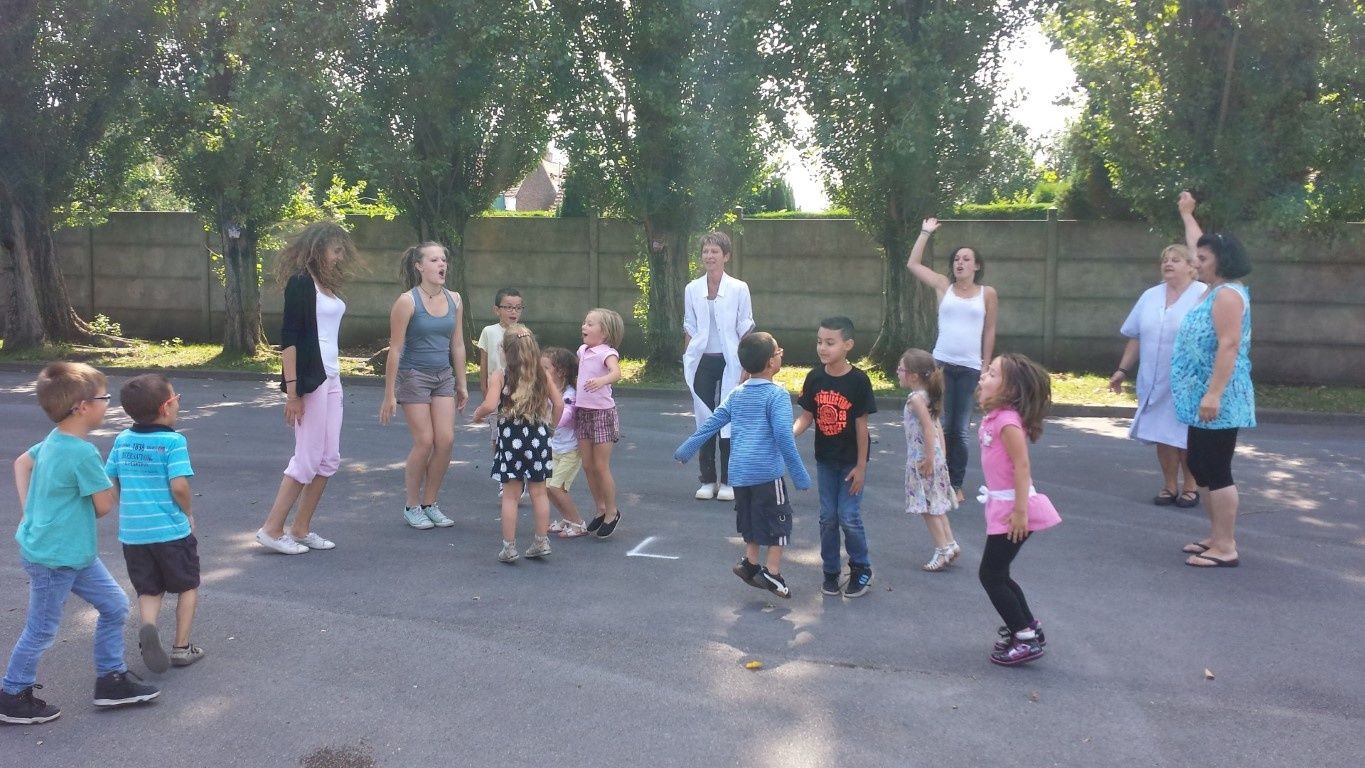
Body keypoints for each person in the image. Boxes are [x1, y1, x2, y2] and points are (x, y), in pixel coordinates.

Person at [1, 363, 159, 725]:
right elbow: (103, 506)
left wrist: (29, 512)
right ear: (82, 407)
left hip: (73, 553)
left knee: (115, 605)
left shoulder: (54, 439)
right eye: (104, 398)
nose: (108, 404)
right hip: (55, 558)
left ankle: (111, 680)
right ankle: (11, 695)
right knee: (41, 629)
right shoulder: (82, 453)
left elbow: (21, 463)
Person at [675, 332, 811, 599]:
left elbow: (712, 423)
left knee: (750, 516)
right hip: (766, 472)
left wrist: (686, 449)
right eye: (778, 351)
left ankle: (750, 562)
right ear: (771, 362)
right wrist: (799, 474)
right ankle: (772, 572)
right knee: (779, 519)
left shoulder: (736, 394)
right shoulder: (777, 395)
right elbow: (784, 437)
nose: (781, 354)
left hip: (739, 472)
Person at [256, 221, 354, 555]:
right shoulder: (301, 281)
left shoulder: (325, 284)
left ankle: (300, 529)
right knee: (308, 457)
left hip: (332, 377)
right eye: (336, 250)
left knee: (329, 458)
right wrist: (293, 392)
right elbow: (289, 338)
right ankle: (271, 529)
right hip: (311, 379)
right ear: (318, 247)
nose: (339, 257)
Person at [1171, 191, 1255, 569]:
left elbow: (1229, 345)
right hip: (1201, 398)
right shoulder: (1213, 289)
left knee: (1217, 469)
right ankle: (1215, 535)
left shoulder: (1227, 296)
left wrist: (1214, 394)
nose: (1196, 262)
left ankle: (1226, 546)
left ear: (1221, 262)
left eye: (1203, 260)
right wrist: (1187, 214)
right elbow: (1197, 244)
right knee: (1201, 466)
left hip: (1219, 399)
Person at [105, 374, 204, 673]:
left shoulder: (123, 440)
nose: (178, 404)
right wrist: (188, 512)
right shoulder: (173, 441)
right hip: (170, 531)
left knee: (148, 588)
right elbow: (179, 486)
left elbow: (110, 479)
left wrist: (127, 505)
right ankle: (181, 647)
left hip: (134, 533)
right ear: (165, 407)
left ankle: (148, 626)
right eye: (176, 399)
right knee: (187, 585)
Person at [976, 353, 1061, 667]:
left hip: (1014, 509)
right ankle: (1028, 628)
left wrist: (1020, 512)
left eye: (992, 374)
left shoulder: (1007, 421)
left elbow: (1022, 467)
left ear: (1010, 389)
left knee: (991, 575)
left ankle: (1024, 636)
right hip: (1005, 505)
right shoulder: (996, 416)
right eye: (987, 371)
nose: (984, 376)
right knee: (998, 573)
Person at [906, 218, 998, 502]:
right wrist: (925, 233)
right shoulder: (943, 286)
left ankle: (956, 485)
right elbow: (913, 264)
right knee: (942, 426)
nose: (960, 263)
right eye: (957, 259)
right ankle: (941, 481)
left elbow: (990, 330)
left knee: (960, 430)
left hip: (970, 369)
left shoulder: (987, 294)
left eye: (966, 259)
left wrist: (985, 367)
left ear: (976, 266)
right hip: (942, 365)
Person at [1108, 244, 1206, 507]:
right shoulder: (1150, 296)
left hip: (1190, 381)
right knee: (1162, 434)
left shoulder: (1203, 294)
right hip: (1153, 378)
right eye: (1165, 260)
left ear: (1191, 266)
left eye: (1176, 260)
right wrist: (1122, 370)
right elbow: (1136, 336)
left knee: (1185, 435)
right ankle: (1169, 485)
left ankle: (1191, 487)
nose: (1168, 264)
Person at [380, 242, 469, 530]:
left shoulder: (455, 299)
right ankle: (412, 505)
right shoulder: (407, 302)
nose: (442, 264)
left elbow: (457, 344)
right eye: (434, 260)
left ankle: (430, 503)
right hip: (413, 375)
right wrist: (389, 394)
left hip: (443, 375)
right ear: (419, 266)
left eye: (443, 259)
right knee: (425, 441)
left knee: (446, 441)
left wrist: (462, 383)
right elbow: (395, 349)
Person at [794, 317, 878, 598]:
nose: (822, 348)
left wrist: (862, 466)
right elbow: (807, 416)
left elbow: (862, 427)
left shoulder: (859, 381)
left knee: (849, 516)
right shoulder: (815, 378)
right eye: (819, 341)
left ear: (848, 345)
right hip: (826, 461)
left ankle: (861, 568)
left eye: (830, 343)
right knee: (828, 517)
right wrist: (788, 435)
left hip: (852, 462)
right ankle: (831, 571)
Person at [471, 325, 563, 562]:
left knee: (511, 495)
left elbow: (490, 404)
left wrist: (478, 414)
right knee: (539, 492)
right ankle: (541, 541)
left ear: (505, 350)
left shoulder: (500, 375)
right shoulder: (542, 376)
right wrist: (551, 428)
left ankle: (509, 547)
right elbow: (559, 404)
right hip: (538, 436)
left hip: (511, 439)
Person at [682, 231, 755, 502]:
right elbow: (689, 327)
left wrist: (747, 366)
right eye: (705, 251)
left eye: (715, 251)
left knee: (728, 419)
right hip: (702, 360)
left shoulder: (739, 288)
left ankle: (728, 481)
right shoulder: (692, 289)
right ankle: (707, 479)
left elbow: (745, 328)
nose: (709, 256)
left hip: (731, 361)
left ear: (726, 256)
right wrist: (687, 361)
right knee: (704, 418)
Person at [896, 349, 960, 572]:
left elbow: (927, 427)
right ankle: (950, 543)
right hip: (934, 458)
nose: (898, 372)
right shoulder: (927, 397)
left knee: (928, 508)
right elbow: (936, 426)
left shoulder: (916, 399)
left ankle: (942, 550)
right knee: (937, 504)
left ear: (913, 376)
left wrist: (930, 458)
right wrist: (941, 454)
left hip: (922, 460)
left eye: (901, 369)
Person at [576, 308, 625, 539]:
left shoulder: (607, 352)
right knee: (587, 465)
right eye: (584, 322)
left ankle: (612, 512)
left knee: (600, 465)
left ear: (604, 333)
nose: (584, 327)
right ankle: (600, 508)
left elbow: (616, 373)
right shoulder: (582, 350)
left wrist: (601, 380)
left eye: (590, 324)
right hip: (582, 413)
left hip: (602, 414)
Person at [542, 347, 590, 538]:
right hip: (555, 447)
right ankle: (567, 518)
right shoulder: (547, 391)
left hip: (570, 450)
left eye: (546, 368)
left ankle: (578, 523)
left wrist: (545, 420)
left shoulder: (569, 395)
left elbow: (564, 417)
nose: (541, 372)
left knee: (557, 487)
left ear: (560, 372)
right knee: (547, 487)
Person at [477, 288, 523, 399]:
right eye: (509, 307)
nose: (514, 311)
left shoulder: (523, 333)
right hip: (494, 388)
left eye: (518, 307)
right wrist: (484, 387)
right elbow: (484, 362)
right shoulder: (488, 331)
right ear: (497, 310)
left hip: (517, 389)